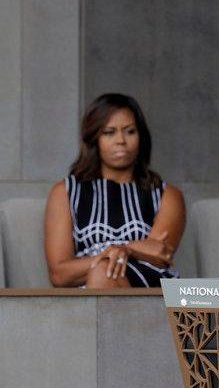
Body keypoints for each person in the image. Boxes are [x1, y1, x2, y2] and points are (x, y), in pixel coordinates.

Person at [45, 93, 185, 288]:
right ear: (94, 138)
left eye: (129, 131)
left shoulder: (166, 194)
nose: (120, 140)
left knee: (105, 272)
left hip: (149, 288)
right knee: (104, 271)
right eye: (109, 132)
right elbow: (60, 274)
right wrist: (113, 256)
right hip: (87, 288)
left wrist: (124, 250)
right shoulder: (66, 192)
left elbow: (161, 254)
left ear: (141, 136)